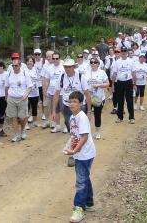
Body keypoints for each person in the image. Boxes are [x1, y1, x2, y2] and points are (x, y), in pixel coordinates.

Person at [64, 91, 96, 223]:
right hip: (80, 153)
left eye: (75, 102)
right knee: (84, 177)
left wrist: (74, 151)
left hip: (85, 154)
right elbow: (74, 135)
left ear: (81, 104)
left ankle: (79, 208)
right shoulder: (72, 117)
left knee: (80, 181)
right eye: (70, 101)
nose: (71, 104)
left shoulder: (81, 117)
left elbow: (84, 137)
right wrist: (69, 147)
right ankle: (88, 203)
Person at [5, 58, 33, 142]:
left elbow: (30, 86)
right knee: (13, 117)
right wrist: (6, 96)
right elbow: (6, 86)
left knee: (22, 117)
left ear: (20, 65)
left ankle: (23, 129)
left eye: (16, 65)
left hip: (22, 98)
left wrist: (25, 95)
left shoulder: (25, 73)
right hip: (11, 98)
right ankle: (16, 134)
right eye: (13, 65)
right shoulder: (9, 73)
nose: (14, 67)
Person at [110, 47, 135, 124]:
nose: (123, 53)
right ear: (120, 53)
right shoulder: (117, 62)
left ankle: (131, 117)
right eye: (122, 52)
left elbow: (133, 73)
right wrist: (113, 84)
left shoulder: (131, 61)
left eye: (125, 52)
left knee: (129, 100)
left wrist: (134, 84)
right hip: (120, 82)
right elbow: (114, 74)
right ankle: (120, 117)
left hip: (128, 82)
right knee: (120, 101)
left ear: (127, 53)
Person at [87, 57, 109, 139]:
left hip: (98, 98)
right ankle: (86, 132)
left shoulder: (102, 72)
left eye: (95, 62)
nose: (93, 64)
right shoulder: (86, 73)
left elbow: (107, 84)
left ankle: (97, 132)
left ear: (98, 64)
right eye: (91, 62)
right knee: (87, 115)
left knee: (97, 115)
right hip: (88, 98)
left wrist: (98, 85)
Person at [43, 52, 65, 131]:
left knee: (64, 109)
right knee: (55, 109)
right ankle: (58, 125)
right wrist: (45, 90)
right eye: (53, 58)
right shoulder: (49, 68)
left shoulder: (63, 68)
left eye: (57, 58)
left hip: (61, 93)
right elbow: (47, 80)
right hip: (51, 92)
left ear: (59, 59)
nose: (55, 60)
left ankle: (66, 126)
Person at [26, 55, 42, 128]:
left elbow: (38, 79)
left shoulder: (35, 69)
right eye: (28, 61)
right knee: (27, 108)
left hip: (35, 92)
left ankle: (35, 122)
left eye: (31, 61)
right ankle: (25, 123)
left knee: (34, 107)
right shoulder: (24, 70)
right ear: (26, 62)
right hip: (27, 93)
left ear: (33, 62)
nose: (30, 62)